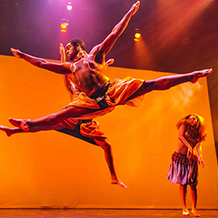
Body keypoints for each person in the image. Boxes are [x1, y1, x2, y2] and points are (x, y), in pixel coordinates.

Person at [9, 1, 212, 135]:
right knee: (63, 114)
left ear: (78, 47)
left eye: (69, 47)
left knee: (149, 85)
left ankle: (191, 76)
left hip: (112, 91)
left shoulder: (94, 55)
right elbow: (43, 64)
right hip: (90, 102)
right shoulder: (69, 68)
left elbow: (115, 33)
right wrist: (23, 55)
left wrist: (130, 13)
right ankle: (28, 124)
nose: (67, 50)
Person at [0, 44, 127, 189]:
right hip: (73, 120)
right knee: (48, 124)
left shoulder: (89, 88)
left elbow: (95, 77)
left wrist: (104, 65)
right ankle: (13, 130)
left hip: (87, 125)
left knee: (107, 145)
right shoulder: (75, 92)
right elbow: (65, 75)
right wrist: (63, 57)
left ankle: (114, 177)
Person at [167, 114, 207, 217]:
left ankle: (194, 208)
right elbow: (180, 137)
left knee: (193, 184)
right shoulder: (184, 125)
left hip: (191, 159)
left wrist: (200, 156)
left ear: (198, 121)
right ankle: (184, 207)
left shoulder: (199, 131)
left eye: (194, 119)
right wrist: (189, 147)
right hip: (180, 158)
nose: (192, 120)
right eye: (190, 118)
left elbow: (199, 146)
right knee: (183, 183)